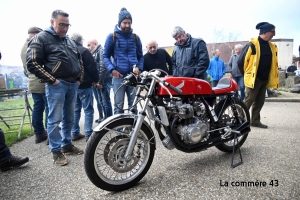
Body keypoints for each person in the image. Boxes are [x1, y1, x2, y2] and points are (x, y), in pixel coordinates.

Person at [26, 9, 84, 166]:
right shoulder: (41, 38)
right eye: (61, 24)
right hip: (57, 85)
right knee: (54, 119)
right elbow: (32, 62)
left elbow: (79, 60)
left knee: (70, 117)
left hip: (73, 84)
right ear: (52, 22)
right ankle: (56, 151)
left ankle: (66, 145)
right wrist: (52, 80)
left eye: (67, 25)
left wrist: (80, 78)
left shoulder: (69, 41)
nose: (65, 28)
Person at [238, 22, 278, 128]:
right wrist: (247, 75)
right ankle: (239, 120)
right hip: (254, 79)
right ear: (265, 32)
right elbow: (240, 62)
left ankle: (255, 121)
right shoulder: (252, 45)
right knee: (248, 100)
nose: (274, 34)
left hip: (264, 78)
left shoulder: (271, 46)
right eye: (273, 32)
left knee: (259, 102)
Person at [103, 7, 143, 114]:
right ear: (120, 22)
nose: (127, 25)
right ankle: (119, 130)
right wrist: (112, 70)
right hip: (118, 77)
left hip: (133, 77)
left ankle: (134, 129)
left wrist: (140, 68)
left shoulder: (135, 38)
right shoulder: (112, 37)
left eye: (129, 22)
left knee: (133, 106)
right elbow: (105, 56)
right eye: (125, 23)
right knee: (118, 107)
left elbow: (141, 56)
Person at [21, 26, 48, 144]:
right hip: (42, 81)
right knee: (49, 108)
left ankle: (39, 133)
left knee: (37, 108)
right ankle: (51, 134)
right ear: (37, 34)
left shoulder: (23, 48)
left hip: (32, 82)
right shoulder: (36, 45)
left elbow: (25, 69)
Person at [71, 33, 99, 142]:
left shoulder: (68, 50)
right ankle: (89, 134)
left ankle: (75, 133)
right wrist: (96, 80)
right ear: (80, 40)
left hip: (72, 85)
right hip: (84, 84)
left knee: (75, 110)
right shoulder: (84, 51)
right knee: (88, 110)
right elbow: (92, 67)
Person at [87, 39, 112, 120]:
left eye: (89, 45)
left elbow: (103, 66)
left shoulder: (101, 51)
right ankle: (104, 118)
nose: (88, 47)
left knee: (105, 102)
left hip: (104, 80)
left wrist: (100, 82)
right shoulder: (94, 53)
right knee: (101, 101)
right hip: (98, 81)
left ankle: (108, 120)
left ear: (95, 44)